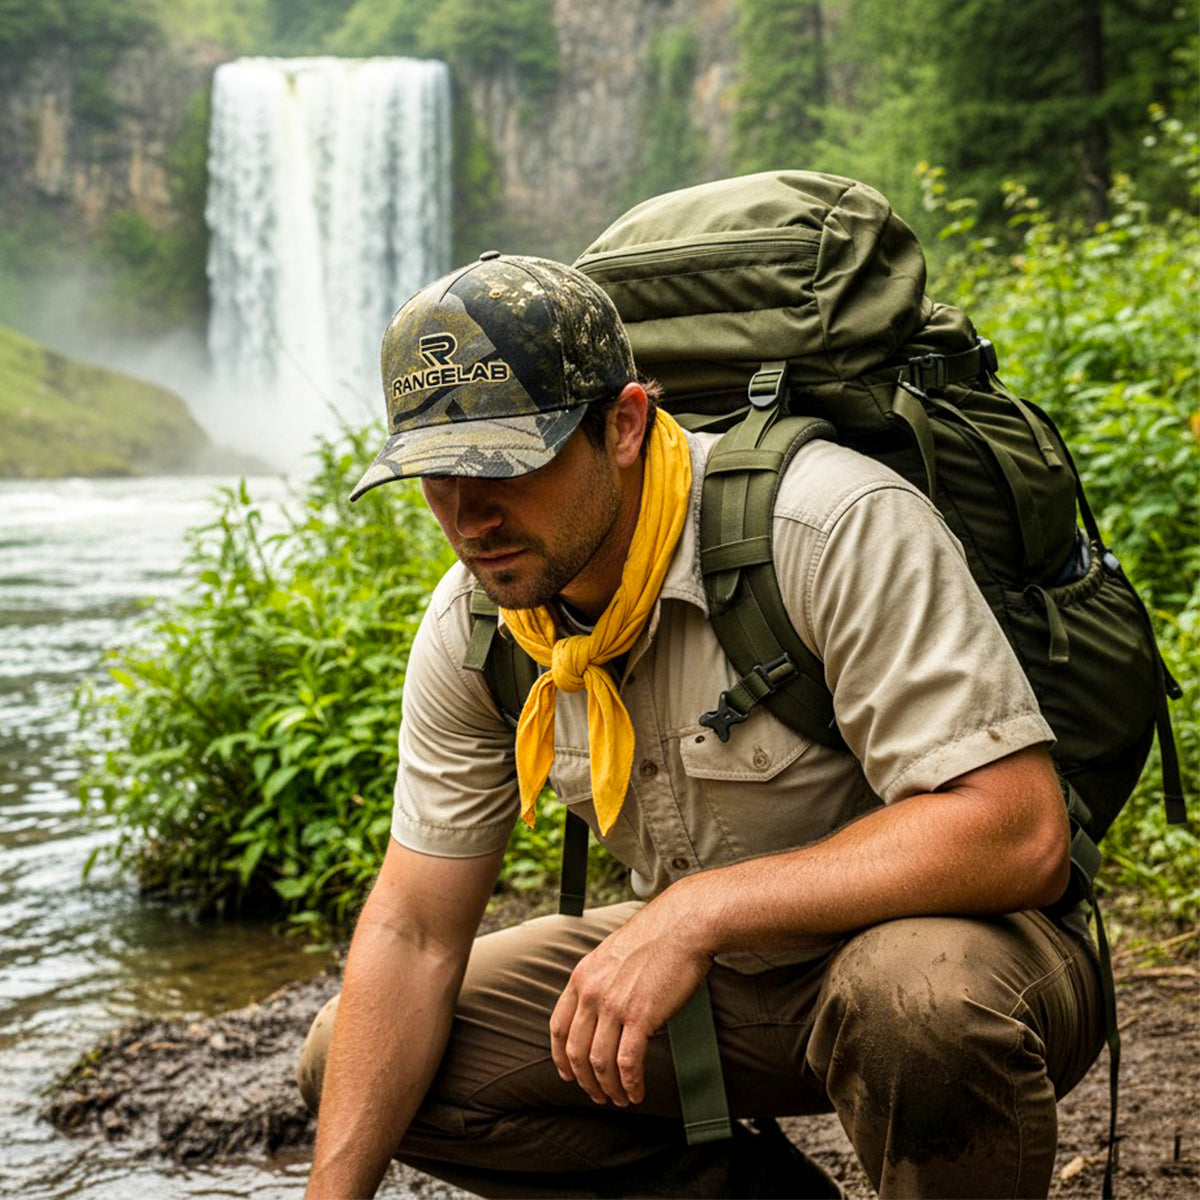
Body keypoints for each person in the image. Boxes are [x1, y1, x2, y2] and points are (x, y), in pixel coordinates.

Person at [297, 251, 1105, 1199]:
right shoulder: (479, 627)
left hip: (971, 962)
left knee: (916, 1001)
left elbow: (1018, 833)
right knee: (355, 1062)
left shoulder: (829, 525)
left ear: (625, 424)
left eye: (504, 465)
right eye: (436, 476)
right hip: (726, 985)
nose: (469, 518)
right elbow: (413, 935)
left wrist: (696, 912)